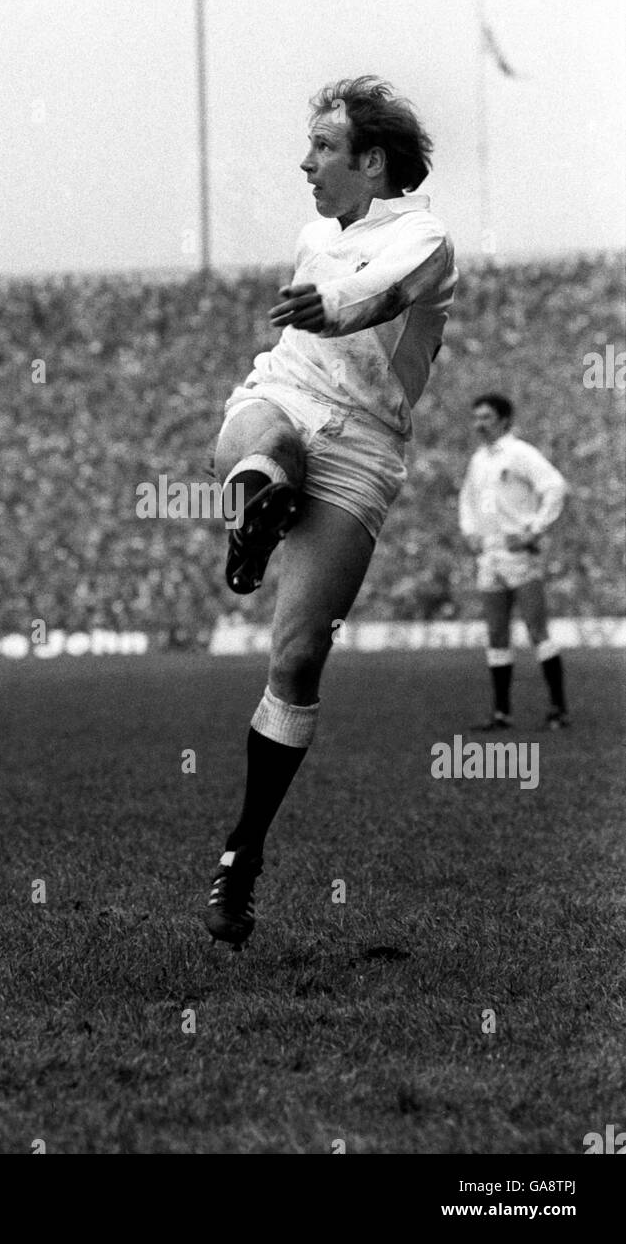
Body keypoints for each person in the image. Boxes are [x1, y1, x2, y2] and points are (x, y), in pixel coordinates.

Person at [203, 76, 458, 949]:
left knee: (300, 655)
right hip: (286, 393)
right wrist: (313, 313)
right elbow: (310, 322)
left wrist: (334, 305)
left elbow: (384, 293)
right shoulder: (314, 234)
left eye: (321, 146)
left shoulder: (425, 237)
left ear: (371, 160)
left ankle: (243, 852)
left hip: (364, 441)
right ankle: (257, 502)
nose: (305, 161)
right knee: (259, 439)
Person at [458, 393, 569, 731]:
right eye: (476, 417)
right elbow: (467, 500)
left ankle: (558, 708)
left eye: (486, 417)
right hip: (489, 555)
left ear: (504, 420)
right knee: (496, 634)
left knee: (537, 630)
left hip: (518, 553)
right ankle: (501, 713)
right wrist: (470, 532)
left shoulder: (520, 453)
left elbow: (555, 486)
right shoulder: (479, 460)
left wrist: (533, 529)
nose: (479, 423)